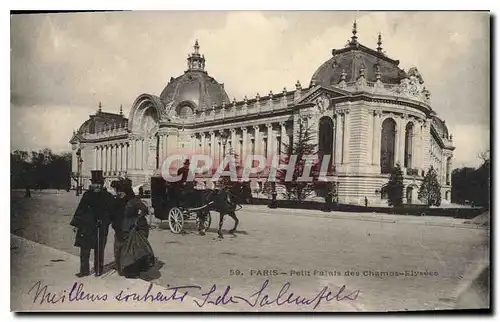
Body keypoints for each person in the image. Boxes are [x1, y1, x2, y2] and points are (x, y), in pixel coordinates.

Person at [70, 170, 115, 277]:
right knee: (84, 249)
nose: (97, 186)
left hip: (101, 227)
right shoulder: (87, 195)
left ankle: (98, 269)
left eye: (99, 183)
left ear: (102, 184)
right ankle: (84, 270)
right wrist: (76, 224)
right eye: (95, 183)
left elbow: (112, 212)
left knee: (99, 249)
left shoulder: (108, 196)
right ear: (92, 184)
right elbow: (80, 209)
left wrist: (105, 221)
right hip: (86, 226)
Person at [113, 178, 153, 278]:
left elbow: (144, 210)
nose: (118, 194)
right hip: (120, 227)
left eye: (120, 192)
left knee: (131, 250)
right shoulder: (117, 200)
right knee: (118, 248)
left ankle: (130, 270)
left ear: (126, 192)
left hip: (131, 228)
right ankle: (120, 267)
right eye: (118, 192)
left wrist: (137, 219)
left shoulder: (134, 201)